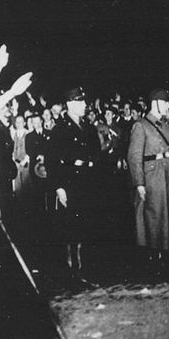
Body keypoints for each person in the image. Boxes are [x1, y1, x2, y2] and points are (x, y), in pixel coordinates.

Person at [48, 86, 103, 276]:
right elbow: (52, 161)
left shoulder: (88, 127)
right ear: (71, 104)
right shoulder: (60, 129)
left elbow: (96, 155)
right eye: (80, 101)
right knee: (72, 222)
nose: (85, 105)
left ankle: (86, 260)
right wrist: (59, 187)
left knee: (88, 219)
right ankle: (73, 263)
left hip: (88, 179)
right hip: (70, 180)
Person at [127, 89, 169, 274]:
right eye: (165, 103)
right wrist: (139, 183)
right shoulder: (141, 126)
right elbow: (134, 157)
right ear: (156, 103)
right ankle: (155, 259)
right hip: (153, 175)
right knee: (155, 217)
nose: (168, 106)